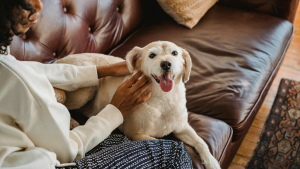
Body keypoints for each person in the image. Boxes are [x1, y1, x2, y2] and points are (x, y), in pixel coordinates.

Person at [0, 0, 193, 169]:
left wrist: (101, 70)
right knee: (175, 152)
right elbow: (68, 150)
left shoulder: (7, 62)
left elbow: (29, 69)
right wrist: (116, 109)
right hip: (50, 161)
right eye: (25, 0)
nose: (39, 5)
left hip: (30, 146)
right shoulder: (16, 81)